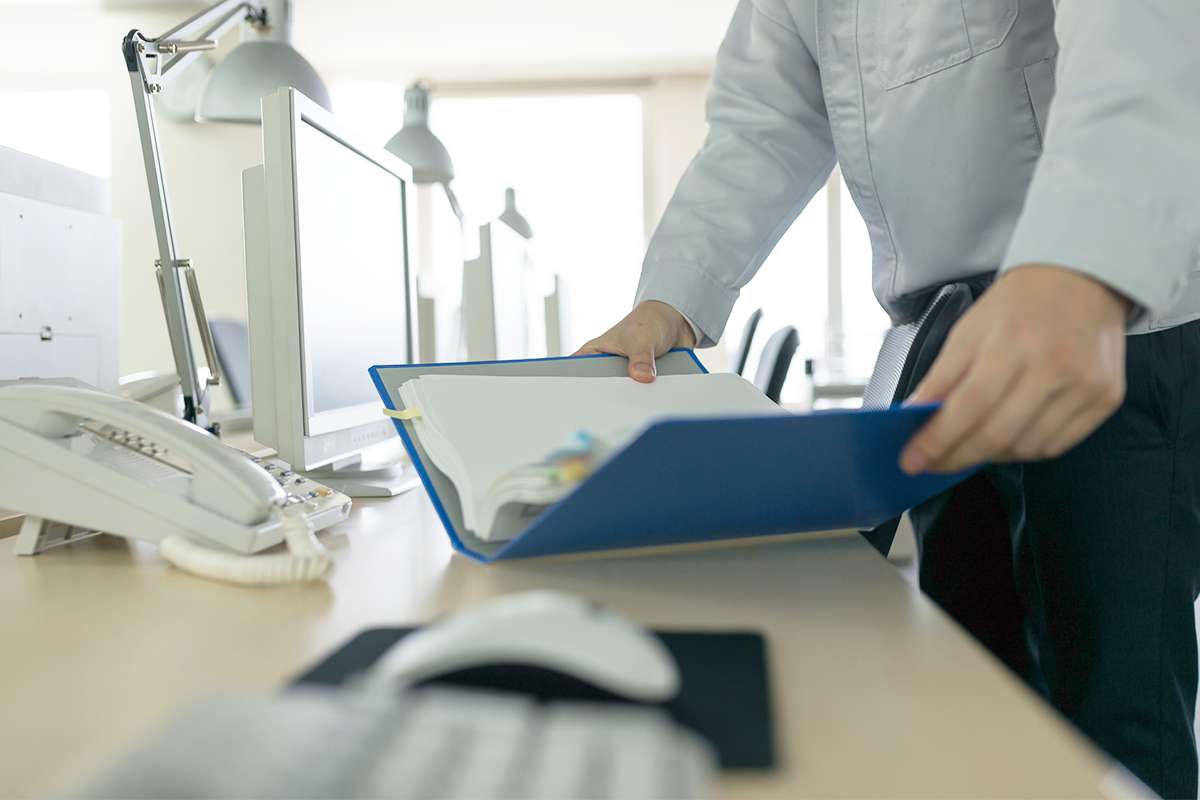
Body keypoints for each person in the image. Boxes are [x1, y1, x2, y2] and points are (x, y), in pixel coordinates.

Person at [576, 1, 1200, 796]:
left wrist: (1083, 264)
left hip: (1095, 316)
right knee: (976, 694)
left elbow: (1137, 29)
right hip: (941, 348)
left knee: (1111, 724)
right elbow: (760, 126)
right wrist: (669, 299)